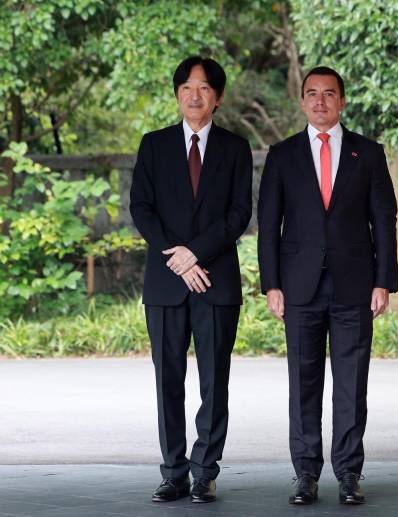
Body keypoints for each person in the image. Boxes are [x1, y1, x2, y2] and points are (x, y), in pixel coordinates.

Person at [257, 66, 398, 506]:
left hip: (355, 285)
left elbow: (384, 222)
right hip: (298, 288)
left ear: (342, 101)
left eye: (329, 94)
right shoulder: (281, 155)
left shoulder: (368, 153)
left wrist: (384, 281)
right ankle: (305, 474)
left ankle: (349, 473)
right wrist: (271, 284)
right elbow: (267, 226)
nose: (320, 101)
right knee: (303, 383)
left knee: (352, 384)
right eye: (312, 94)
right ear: (302, 101)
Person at [129, 56, 253, 504]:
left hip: (216, 281)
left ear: (217, 97)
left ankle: (205, 471)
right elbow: (141, 208)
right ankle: (173, 471)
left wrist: (196, 253)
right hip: (166, 284)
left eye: (204, 88)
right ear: (177, 93)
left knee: (214, 380)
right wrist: (179, 259)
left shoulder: (235, 148)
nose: (194, 95)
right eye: (186, 87)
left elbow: (240, 212)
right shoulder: (154, 145)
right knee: (168, 381)